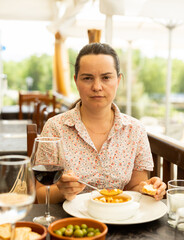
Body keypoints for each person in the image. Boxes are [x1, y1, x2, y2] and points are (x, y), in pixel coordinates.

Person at [36, 42, 166, 204]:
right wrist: (62, 190)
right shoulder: (55, 127)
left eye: (106, 77)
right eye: (87, 78)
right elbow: (40, 195)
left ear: (118, 81)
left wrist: (149, 188)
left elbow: (134, 188)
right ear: (76, 81)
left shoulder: (135, 130)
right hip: (68, 223)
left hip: (120, 222)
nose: (97, 87)